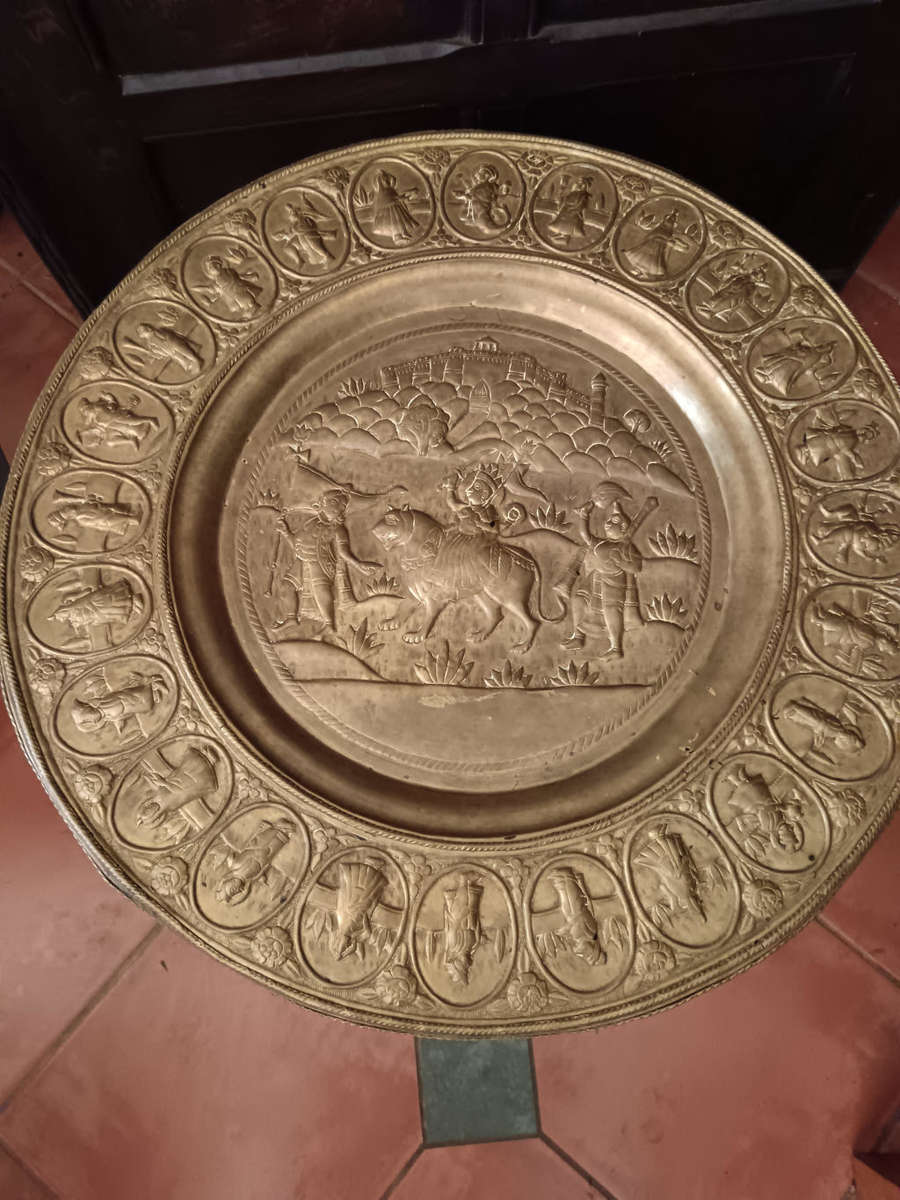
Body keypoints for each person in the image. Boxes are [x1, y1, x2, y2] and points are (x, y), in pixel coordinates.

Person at [277, 490, 379, 633]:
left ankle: (329, 625)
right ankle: (291, 618)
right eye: (337, 504)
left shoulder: (338, 529)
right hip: (302, 561)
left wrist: (358, 565)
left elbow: (343, 552)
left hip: (321, 562)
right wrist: (286, 532)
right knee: (286, 586)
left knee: (320, 590)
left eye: (343, 507)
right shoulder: (310, 523)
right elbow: (297, 544)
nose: (340, 510)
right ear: (324, 504)